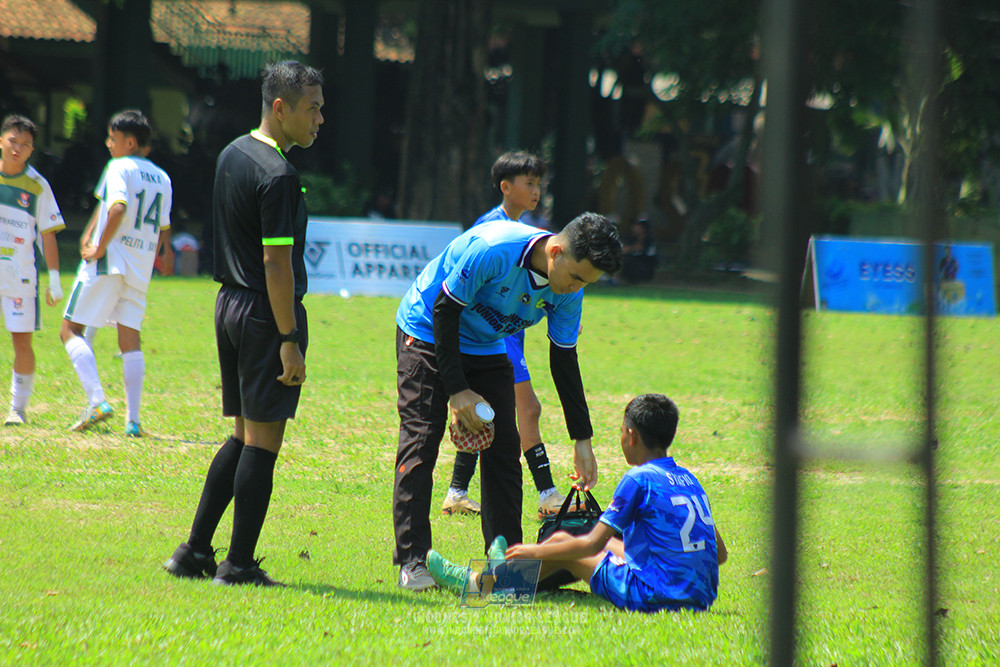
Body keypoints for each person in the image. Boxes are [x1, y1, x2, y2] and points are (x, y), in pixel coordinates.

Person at [393, 210, 623, 591]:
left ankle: (507, 560)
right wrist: (456, 390)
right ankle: (413, 561)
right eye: (577, 277)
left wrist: (582, 439)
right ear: (556, 252)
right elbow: (445, 310)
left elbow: (564, 358)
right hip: (428, 331)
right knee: (422, 439)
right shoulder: (493, 249)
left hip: (485, 345)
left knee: (504, 450)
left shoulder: (571, 289)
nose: (576, 287)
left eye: (588, 282)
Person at [164, 60, 324, 587]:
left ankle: (192, 553)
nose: (320, 119)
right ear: (281, 108)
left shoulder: (234, 152)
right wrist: (289, 340)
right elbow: (276, 264)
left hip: (229, 305)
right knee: (263, 442)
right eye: (312, 109)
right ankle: (237, 565)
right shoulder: (278, 174)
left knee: (242, 435)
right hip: (263, 312)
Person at [427, 394, 728, 613]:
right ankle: (503, 576)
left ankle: (480, 583)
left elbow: (590, 546)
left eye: (621, 431)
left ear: (631, 435)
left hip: (655, 596)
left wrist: (536, 550)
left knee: (562, 541)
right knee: (595, 544)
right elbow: (720, 554)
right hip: (698, 597)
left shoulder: (638, 479)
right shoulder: (690, 479)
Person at [442, 151, 576, 519]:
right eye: (529, 183)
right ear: (506, 187)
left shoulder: (531, 229)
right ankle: (548, 495)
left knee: (486, 413)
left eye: (538, 184)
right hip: (492, 339)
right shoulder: (492, 228)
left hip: (509, 336)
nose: (536, 191)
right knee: (527, 408)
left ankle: (456, 491)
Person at [59, 109, 174, 435]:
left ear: (130, 141)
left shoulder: (118, 167)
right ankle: (133, 421)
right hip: (139, 267)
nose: (109, 144)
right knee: (130, 340)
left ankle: (97, 400)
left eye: (113, 138)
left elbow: (118, 208)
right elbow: (164, 225)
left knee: (69, 331)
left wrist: (98, 247)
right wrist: (165, 254)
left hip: (110, 262)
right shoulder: (163, 178)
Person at [0, 114, 65, 426]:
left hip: (19, 276)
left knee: (21, 342)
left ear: (31, 150)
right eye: (13, 141)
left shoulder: (38, 186)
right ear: (1, 140)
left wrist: (54, 279)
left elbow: (48, 233)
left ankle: (18, 408)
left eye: (25, 145)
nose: (18, 148)